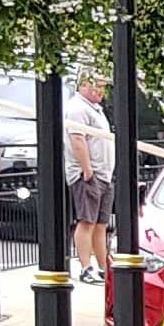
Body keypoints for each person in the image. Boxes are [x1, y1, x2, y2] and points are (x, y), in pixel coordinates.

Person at [65, 70, 115, 284]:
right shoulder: (77, 109)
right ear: (84, 85)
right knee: (86, 221)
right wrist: (87, 170)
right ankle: (86, 267)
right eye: (98, 86)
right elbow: (77, 140)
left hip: (103, 173)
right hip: (90, 174)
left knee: (100, 223)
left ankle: (103, 267)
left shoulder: (95, 109)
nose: (101, 91)